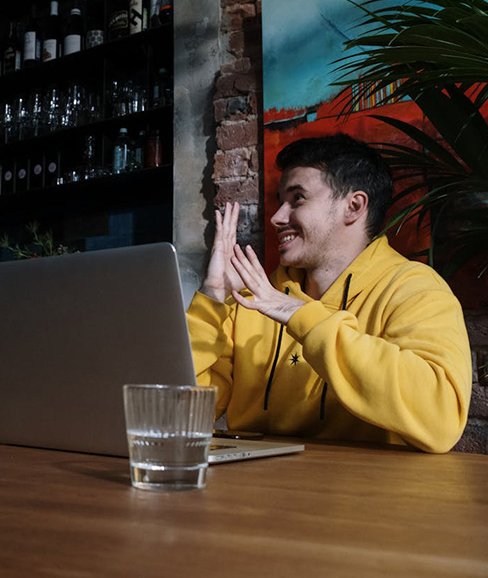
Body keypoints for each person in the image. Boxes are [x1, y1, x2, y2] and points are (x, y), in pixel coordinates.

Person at [187, 133, 471, 453]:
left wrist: (301, 316)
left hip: (369, 496)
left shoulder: (416, 290)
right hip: (255, 493)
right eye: (280, 201)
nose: (277, 217)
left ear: (353, 206)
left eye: (298, 198)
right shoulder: (252, 299)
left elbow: (441, 420)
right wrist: (211, 299)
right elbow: (182, 415)